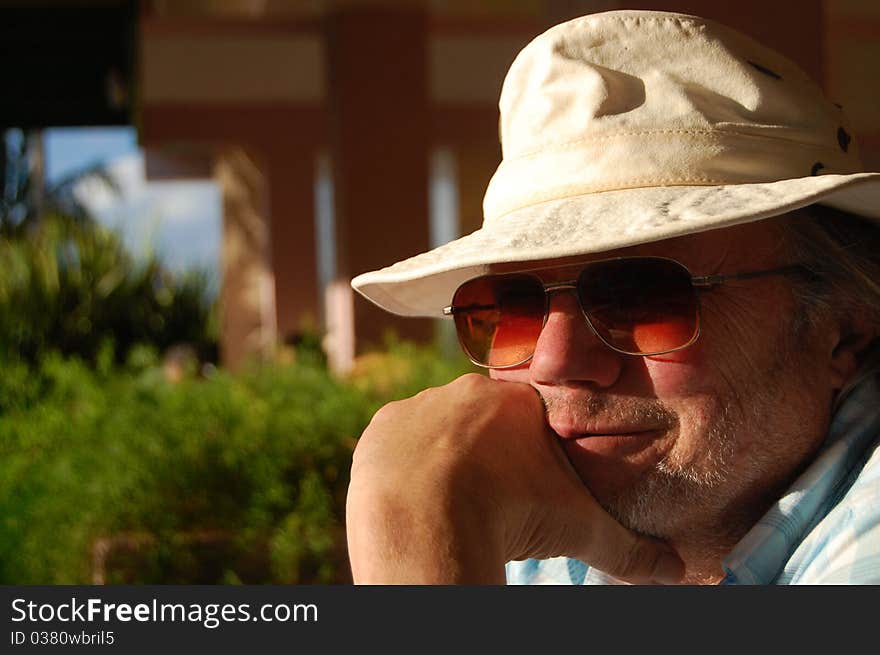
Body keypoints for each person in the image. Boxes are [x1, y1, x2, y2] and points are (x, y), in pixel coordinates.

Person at [345, 10, 880, 584]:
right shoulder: (543, 533)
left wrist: (409, 529)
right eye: (511, 307)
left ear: (843, 331)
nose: (554, 362)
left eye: (637, 296)